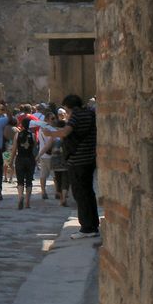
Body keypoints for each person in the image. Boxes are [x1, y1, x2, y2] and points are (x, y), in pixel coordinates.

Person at [44, 94, 98, 238]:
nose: (66, 113)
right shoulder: (90, 114)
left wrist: (50, 133)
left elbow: (66, 132)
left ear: (70, 107)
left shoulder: (76, 115)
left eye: (66, 110)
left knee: (80, 194)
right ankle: (93, 225)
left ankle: (86, 228)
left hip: (78, 161)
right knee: (88, 193)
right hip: (89, 159)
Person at [10, 116, 37, 208]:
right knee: (29, 181)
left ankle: (20, 196)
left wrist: (11, 161)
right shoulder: (33, 135)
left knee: (20, 181)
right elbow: (34, 148)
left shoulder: (17, 135)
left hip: (20, 159)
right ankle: (27, 202)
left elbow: (14, 149)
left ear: (22, 125)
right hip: (30, 159)